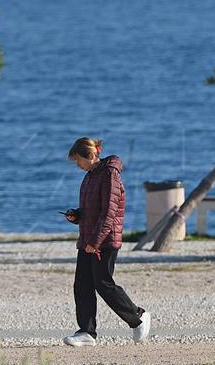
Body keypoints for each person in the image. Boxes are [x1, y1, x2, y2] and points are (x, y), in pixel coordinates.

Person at [62, 137, 151, 346]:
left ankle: (137, 318)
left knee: (103, 284)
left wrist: (96, 241)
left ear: (91, 156)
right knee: (82, 285)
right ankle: (86, 333)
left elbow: (109, 214)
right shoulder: (90, 176)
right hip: (88, 239)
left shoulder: (110, 175)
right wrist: (77, 215)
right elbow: (92, 210)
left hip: (105, 241)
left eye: (78, 160)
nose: (78, 165)